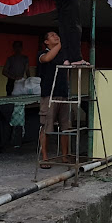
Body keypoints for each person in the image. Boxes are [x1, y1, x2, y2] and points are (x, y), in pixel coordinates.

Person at [37, 31, 70, 168]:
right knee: (46, 126)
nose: (56, 36)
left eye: (57, 34)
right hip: (49, 94)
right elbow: (48, 58)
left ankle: (64, 156)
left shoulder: (63, 54)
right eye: (52, 35)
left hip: (63, 94)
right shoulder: (41, 53)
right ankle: (44, 157)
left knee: (66, 127)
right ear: (46, 42)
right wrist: (61, 44)